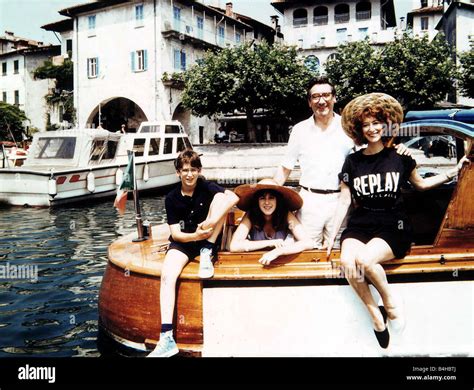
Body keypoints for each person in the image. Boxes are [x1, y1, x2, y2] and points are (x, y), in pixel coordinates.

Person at [326, 93, 470, 349]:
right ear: (359, 129)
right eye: (366, 124)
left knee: (365, 260)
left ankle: (390, 303)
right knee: (348, 262)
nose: (371, 129)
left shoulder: (401, 157)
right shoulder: (352, 161)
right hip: (360, 223)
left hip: (393, 223)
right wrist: (331, 236)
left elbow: (422, 185)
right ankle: (375, 315)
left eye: (376, 123)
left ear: (385, 124)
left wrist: (452, 171)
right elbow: (345, 201)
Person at [273, 76, 410, 249]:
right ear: (309, 102)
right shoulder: (299, 130)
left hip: (342, 201)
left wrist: (399, 149)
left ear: (334, 98)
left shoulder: (349, 128)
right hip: (309, 202)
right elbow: (285, 169)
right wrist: (266, 192)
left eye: (326, 95)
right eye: (315, 97)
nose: (321, 101)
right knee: (305, 251)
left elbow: (375, 148)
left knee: (338, 250)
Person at [148, 149, 239, 357]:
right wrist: (196, 236)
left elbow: (233, 197)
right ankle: (167, 337)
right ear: (178, 173)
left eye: (193, 170)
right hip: (186, 242)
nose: (190, 174)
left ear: (199, 171)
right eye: (185, 170)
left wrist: (211, 222)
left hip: (208, 238)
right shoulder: (171, 198)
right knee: (167, 276)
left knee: (221, 199)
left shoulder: (206, 186)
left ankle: (207, 251)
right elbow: (176, 235)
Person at [230, 178, 313, 265]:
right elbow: (234, 246)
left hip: (283, 264)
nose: (267, 202)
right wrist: (271, 243)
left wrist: (278, 251)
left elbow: (308, 242)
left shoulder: (285, 214)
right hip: (256, 264)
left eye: (271, 198)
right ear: (257, 201)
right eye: (262, 198)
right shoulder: (251, 215)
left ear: (277, 200)